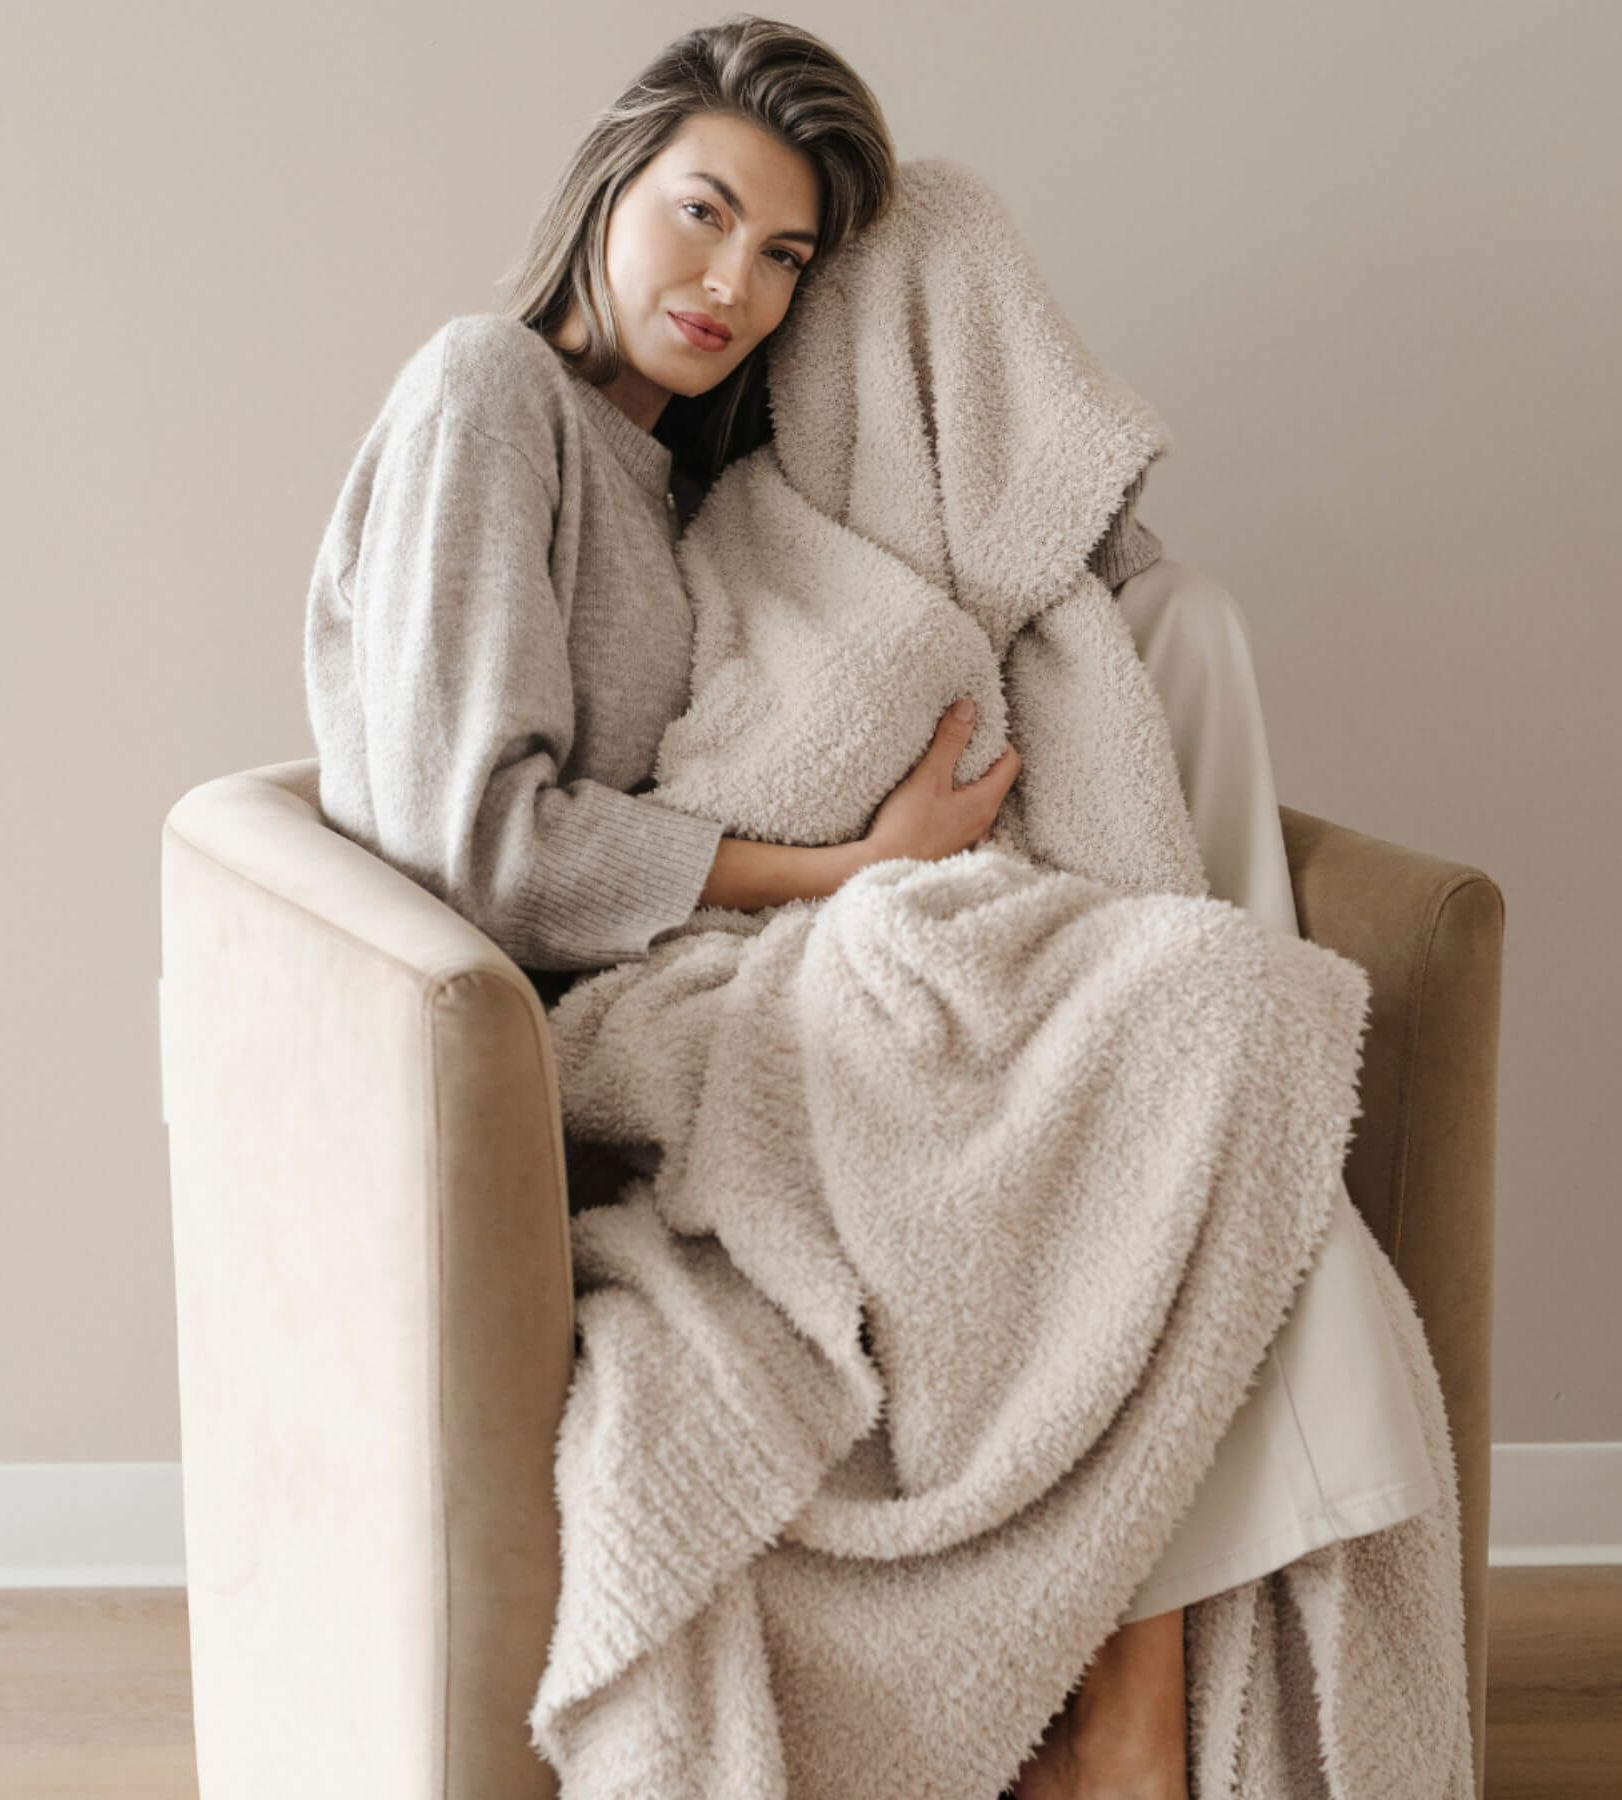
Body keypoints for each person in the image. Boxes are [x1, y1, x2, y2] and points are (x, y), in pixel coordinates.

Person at [302, 18, 1297, 1799]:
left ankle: (1122, 1692)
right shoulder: (487, 393)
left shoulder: (705, 474)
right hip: (609, 1010)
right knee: (1194, 1010)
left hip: (769, 957)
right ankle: (1122, 1712)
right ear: (608, 184)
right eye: (700, 214)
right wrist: (852, 875)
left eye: (781, 259)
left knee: (1194, 1012)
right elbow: (488, 846)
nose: (731, 287)